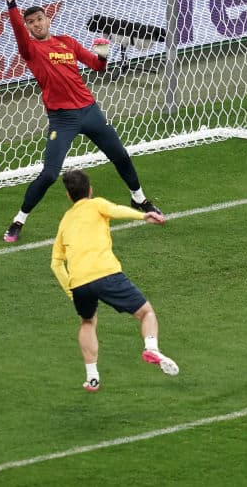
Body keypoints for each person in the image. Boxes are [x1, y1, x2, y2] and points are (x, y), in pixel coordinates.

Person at [0, 0, 161, 243]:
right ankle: (19, 219)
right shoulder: (30, 49)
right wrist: (11, 3)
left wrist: (103, 56)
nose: (36, 24)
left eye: (40, 19)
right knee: (50, 173)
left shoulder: (68, 43)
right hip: (62, 119)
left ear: (48, 19)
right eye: (31, 22)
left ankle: (139, 199)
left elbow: (97, 68)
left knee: (120, 154)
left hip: (89, 111)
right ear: (28, 27)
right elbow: (17, 28)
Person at [50, 168, 177, 392]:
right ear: (90, 190)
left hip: (78, 283)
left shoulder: (64, 221)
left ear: (69, 196)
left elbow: (56, 264)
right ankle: (151, 347)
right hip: (106, 274)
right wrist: (143, 215)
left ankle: (92, 378)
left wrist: (71, 291)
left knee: (88, 322)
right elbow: (116, 210)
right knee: (146, 312)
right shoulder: (97, 204)